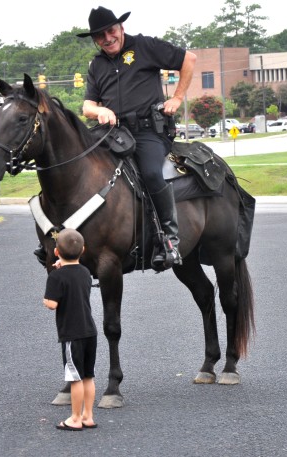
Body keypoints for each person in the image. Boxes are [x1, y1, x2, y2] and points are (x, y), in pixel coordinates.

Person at [77, 6, 197, 270]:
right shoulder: (97, 65)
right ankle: (61, 236)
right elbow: (87, 107)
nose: (107, 38)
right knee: (79, 166)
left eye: (111, 31)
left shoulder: (145, 46)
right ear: (95, 39)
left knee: (152, 174)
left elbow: (189, 59)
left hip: (147, 133)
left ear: (121, 28)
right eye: (100, 36)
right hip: (111, 133)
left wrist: (177, 97)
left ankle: (169, 238)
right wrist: (100, 110)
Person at [43, 228, 98, 431]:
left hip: (72, 334)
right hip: (90, 331)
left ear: (56, 252)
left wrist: (46, 298)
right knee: (88, 377)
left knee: (74, 378)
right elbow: (72, 277)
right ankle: (88, 416)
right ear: (83, 250)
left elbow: (51, 304)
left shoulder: (56, 277)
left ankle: (74, 419)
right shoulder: (85, 272)